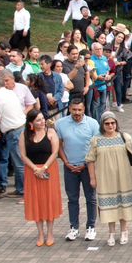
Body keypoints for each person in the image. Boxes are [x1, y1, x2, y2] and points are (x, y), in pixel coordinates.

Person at [87, 110, 132, 247]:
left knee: (123, 204)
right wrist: (92, 178)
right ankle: (111, 233)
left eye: (113, 123)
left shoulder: (124, 137)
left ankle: (124, 231)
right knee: (109, 206)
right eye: (107, 123)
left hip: (123, 176)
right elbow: (90, 160)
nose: (110, 126)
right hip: (105, 178)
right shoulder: (96, 140)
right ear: (102, 125)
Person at [55, 99, 100, 242]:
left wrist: (86, 164)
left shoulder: (93, 124)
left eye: (79, 110)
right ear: (69, 109)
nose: (77, 113)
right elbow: (59, 145)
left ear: (84, 109)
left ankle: (91, 227)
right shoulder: (60, 124)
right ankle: (74, 227)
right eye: (74, 110)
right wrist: (66, 162)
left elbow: (96, 147)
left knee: (90, 198)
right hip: (70, 168)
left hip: (88, 167)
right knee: (72, 199)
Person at [19, 109, 63, 247]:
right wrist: (35, 168)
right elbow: (23, 155)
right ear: (31, 123)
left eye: (43, 118)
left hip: (49, 170)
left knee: (48, 201)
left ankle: (50, 233)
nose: (42, 121)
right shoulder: (24, 135)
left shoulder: (51, 132)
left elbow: (55, 152)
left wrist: (44, 168)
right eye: (38, 120)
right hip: (32, 171)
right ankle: (40, 233)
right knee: (36, 201)